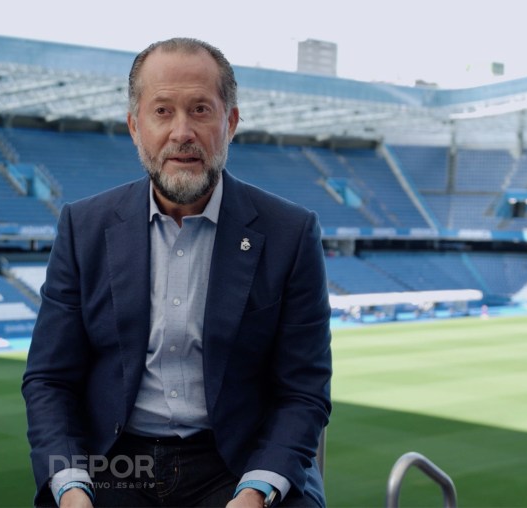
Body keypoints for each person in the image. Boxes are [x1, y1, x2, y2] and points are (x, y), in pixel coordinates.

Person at [23, 37, 332, 508]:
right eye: (162, 111)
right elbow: (49, 379)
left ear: (230, 123)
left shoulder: (290, 232)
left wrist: (256, 490)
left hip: (238, 464)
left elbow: (304, 391)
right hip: (114, 464)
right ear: (134, 126)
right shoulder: (83, 227)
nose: (182, 132)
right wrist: (69, 485)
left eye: (201, 110)